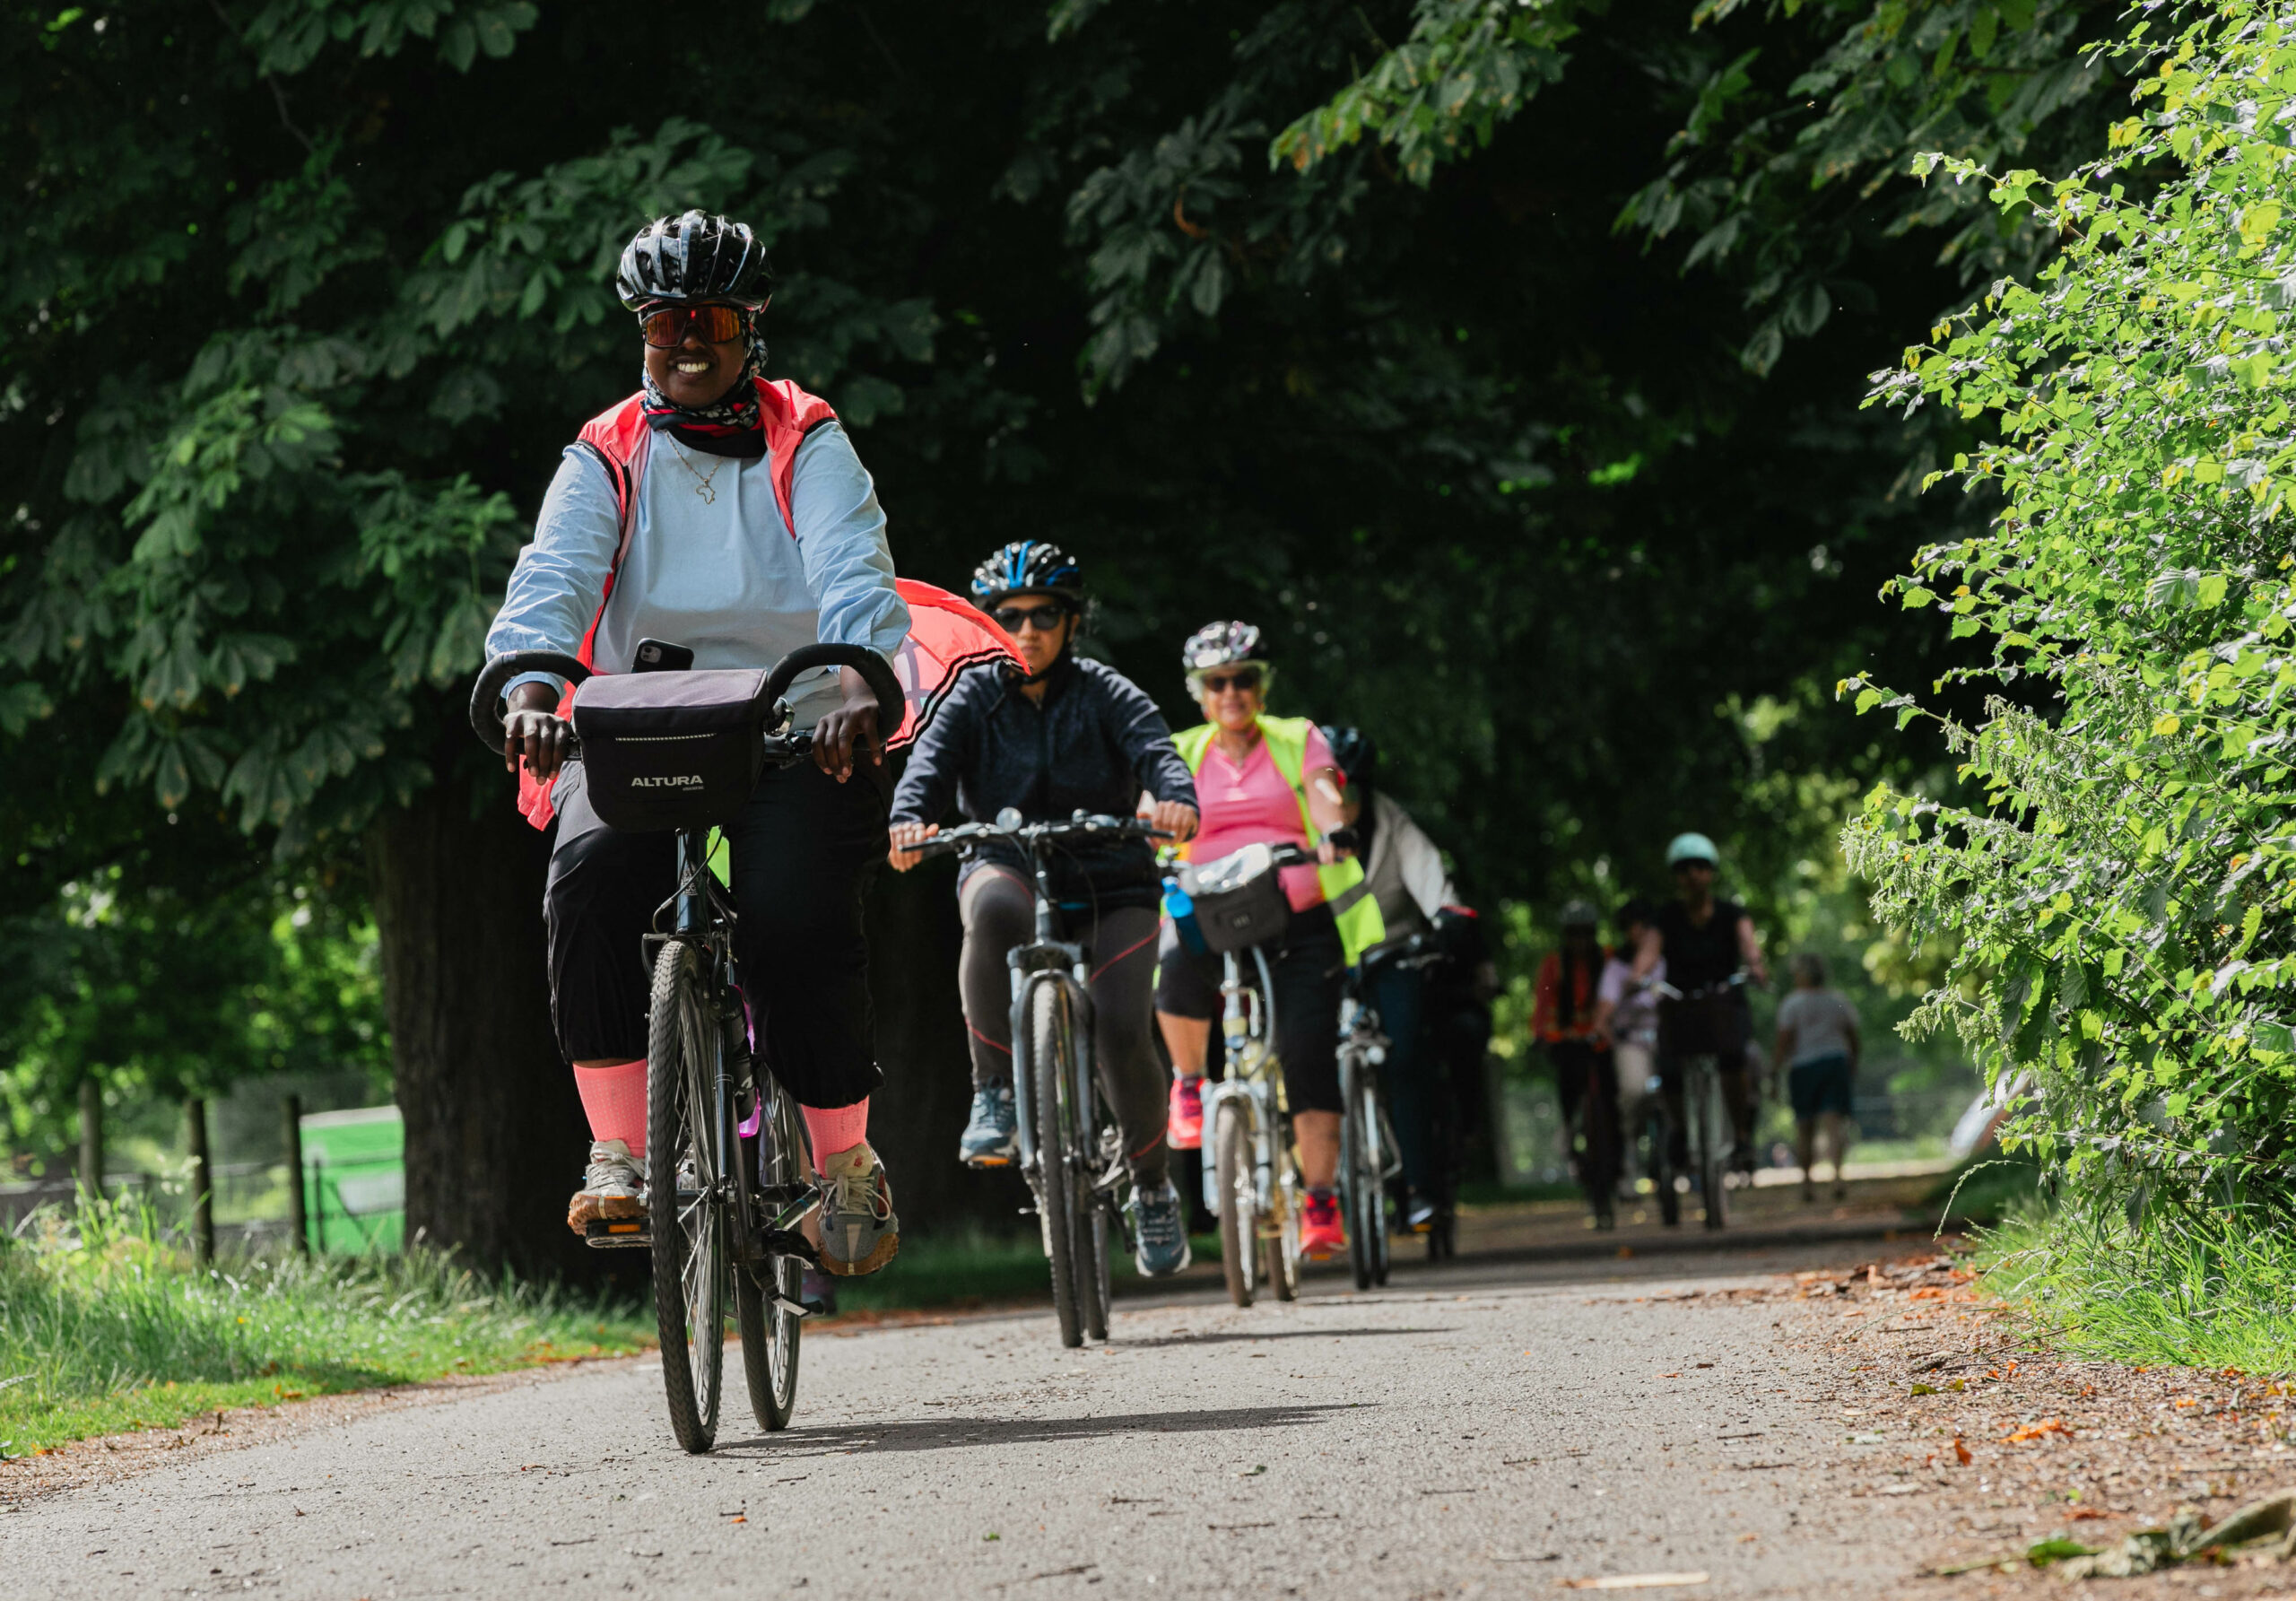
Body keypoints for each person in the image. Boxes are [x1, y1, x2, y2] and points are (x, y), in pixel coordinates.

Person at [484, 211, 908, 1277]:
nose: (685, 340)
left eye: (710, 319)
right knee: (584, 886)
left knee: (800, 918)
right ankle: (619, 1155)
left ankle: (844, 1167)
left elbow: (855, 569)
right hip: (640, 723)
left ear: (750, 328)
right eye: (663, 320)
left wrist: (857, 672)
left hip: (793, 722)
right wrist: (535, 681)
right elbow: (555, 577)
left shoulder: (805, 437)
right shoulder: (607, 450)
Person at [884, 541, 1203, 1276]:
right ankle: (993, 1092)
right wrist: (909, 819)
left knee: (1125, 1028)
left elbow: (1158, 754)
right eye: (1009, 615)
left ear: (1071, 621)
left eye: (1044, 614)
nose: (1026, 628)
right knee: (992, 912)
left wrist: (1176, 798)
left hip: (1112, 878)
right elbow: (925, 772)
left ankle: (1152, 1189)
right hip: (1007, 862)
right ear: (989, 623)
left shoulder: (1107, 692)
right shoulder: (968, 695)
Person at [1156, 622, 1383, 1262]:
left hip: (1296, 920)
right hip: (1212, 912)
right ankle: (1191, 1084)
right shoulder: (1181, 751)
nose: (1232, 691)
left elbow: (1324, 793)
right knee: (1173, 963)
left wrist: (1334, 829)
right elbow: (1153, 809)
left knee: (1306, 1051)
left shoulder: (1296, 737)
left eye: (1244, 679)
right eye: (1217, 682)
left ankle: (1319, 1199)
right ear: (1199, 693)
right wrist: (1146, 829)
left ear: (1262, 686)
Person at [1325, 725, 1469, 1232]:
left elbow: (1427, 872)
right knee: (1305, 1060)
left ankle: (1420, 1188)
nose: (1337, 802)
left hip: (1393, 952)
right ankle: (1318, 1191)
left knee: (1406, 1058)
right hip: (1324, 960)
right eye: (1326, 788)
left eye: (1347, 791)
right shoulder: (1299, 827)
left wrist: (1446, 913)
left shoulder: (1391, 822)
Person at [1631, 831, 1771, 1179]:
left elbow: (1749, 947)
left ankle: (1739, 1135)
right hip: (1681, 1005)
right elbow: (1647, 954)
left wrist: (1755, 967)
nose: (1692, 874)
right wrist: (1637, 976)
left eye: (1699, 866)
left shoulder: (1732, 913)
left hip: (1723, 1003)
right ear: (1675, 876)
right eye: (1683, 869)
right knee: (1669, 1067)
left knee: (1733, 1058)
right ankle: (1679, 1130)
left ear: (1710, 872)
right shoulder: (1664, 918)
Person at [1532, 901, 1617, 1224]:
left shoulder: (1607, 960)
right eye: (1574, 934)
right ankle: (1570, 1132)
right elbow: (1543, 1001)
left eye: (1585, 934)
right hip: (1568, 1044)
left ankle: (1617, 1163)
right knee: (1569, 1092)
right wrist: (1542, 1034)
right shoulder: (1555, 965)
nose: (1580, 941)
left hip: (1600, 1043)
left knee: (1610, 1100)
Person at [1591, 899, 1664, 1201]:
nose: (1641, 932)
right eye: (1636, 926)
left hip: (1667, 1039)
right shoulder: (1616, 967)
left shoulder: (1669, 959)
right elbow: (1604, 1010)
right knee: (1634, 1093)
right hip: (1632, 1041)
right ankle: (1630, 1160)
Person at [1773, 953, 1861, 1202]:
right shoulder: (1837, 1001)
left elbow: (1784, 1042)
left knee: (1805, 1127)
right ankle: (1837, 1178)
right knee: (1834, 1124)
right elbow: (1854, 1038)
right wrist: (1852, 1064)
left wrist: (1774, 1070)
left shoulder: (1792, 1004)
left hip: (1803, 1067)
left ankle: (1807, 1184)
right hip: (1835, 1062)